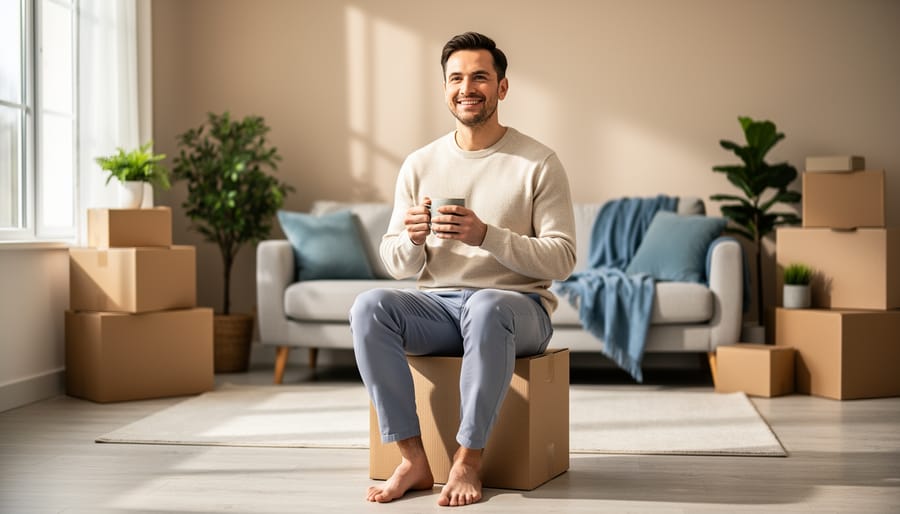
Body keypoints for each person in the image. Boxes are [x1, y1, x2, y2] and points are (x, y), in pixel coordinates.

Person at [349, 31, 576, 507]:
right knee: (369, 306)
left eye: (479, 77)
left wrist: (487, 237)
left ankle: (467, 459)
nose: (466, 88)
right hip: (439, 307)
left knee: (489, 305)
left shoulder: (538, 163)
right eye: (456, 78)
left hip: (519, 309)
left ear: (502, 87)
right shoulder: (419, 164)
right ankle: (411, 458)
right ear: (445, 87)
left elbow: (562, 258)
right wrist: (413, 239)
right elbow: (395, 264)